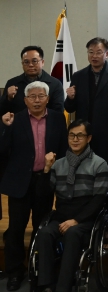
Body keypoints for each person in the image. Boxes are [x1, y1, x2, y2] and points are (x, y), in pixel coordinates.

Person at [0, 82, 68, 291]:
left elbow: (63, 149)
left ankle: (38, 269)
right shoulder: (15, 119)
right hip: (20, 181)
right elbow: (2, 149)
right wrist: (4, 127)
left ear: (48, 99)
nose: (37, 100)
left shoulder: (57, 118)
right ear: (25, 100)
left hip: (45, 179)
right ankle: (14, 271)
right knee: (16, 229)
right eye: (32, 96)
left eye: (41, 96)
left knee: (41, 227)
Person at [34, 119, 108, 292]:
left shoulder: (99, 164)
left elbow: (99, 200)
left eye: (80, 136)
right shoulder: (58, 164)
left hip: (86, 218)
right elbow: (42, 195)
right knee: (44, 233)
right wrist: (46, 169)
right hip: (62, 215)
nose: (75, 139)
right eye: (72, 135)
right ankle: (46, 285)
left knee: (72, 233)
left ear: (89, 138)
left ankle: (63, 286)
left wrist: (76, 220)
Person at [64, 37, 108, 210]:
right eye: (91, 52)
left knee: (107, 178)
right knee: (83, 178)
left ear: (107, 54)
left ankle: (106, 218)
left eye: (99, 52)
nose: (94, 56)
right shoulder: (78, 76)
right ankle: (85, 215)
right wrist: (70, 98)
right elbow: (70, 108)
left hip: (107, 138)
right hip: (83, 137)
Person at [0, 45, 64, 115]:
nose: (30, 65)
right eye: (26, 62)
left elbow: (58, 113)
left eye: (34, 61)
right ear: (22, 64)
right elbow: (2, 112)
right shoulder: (13, 83)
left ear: (42, 62)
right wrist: (8, 98)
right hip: (18, 122)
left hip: (47, 121)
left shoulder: (55, 84)